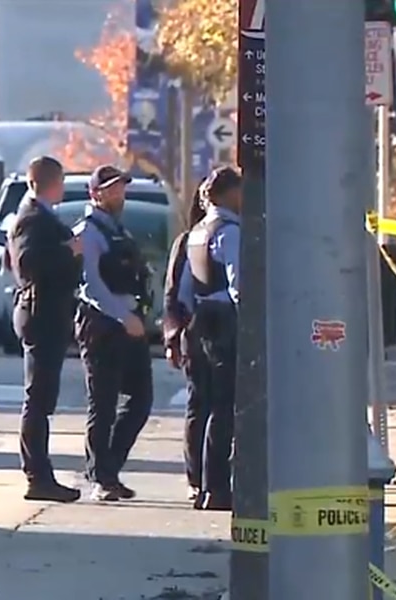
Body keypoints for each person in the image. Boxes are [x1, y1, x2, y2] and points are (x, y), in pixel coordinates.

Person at [74, 164, 156, 502]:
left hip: (129, 321)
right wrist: (123, 316)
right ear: (96, 194)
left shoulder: (120, 231)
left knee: (140, 399)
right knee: (103, 404)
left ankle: (110, 467)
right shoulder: (88, 232)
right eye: (111, 188)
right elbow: (90, 284)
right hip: (102, 324)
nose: (119, 193)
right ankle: (101, 478)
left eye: (121, 187)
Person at [6, 156, 83, 503]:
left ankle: (40, 472)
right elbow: (28, 264)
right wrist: (68, 250)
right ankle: (37, 475)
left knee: (43, 397)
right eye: (60, 181)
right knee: (37, 399)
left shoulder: (43, 216)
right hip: (39, 312)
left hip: (51, 311)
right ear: (49, 182)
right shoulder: (31, 219)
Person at [177, 166, 243, 510]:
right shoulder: (230, 232)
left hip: (200, 320)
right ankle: (218, 487)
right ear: (230, 194)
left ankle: (199, 481)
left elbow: (186, 288)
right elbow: (238, 285)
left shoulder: (198, 232)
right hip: (223, 322)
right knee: (223, 407)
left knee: (200, 405)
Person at [163, 183, 211, 501]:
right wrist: (172, 337)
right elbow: (173, 294)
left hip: (208, 331)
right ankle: (197, 477)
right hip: (197, 331)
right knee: (200, 405)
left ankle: (212, 473)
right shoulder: (189, 241)